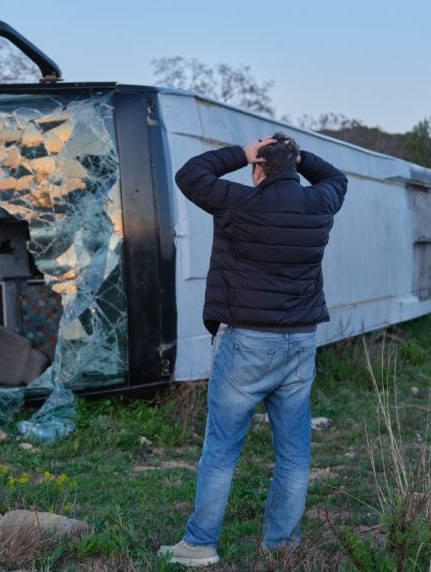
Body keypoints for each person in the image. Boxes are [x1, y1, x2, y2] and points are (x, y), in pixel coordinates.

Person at [157, 133, 348, 567]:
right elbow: (335, 177)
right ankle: (281, 545)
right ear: (295, 169)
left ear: (259, 169)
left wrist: (244, 152)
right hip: (300, 341)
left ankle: (200, 545)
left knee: (222, 450)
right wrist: (297, 156)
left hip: (247, 342)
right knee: (295, 453)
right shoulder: (320, 203)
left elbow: (191, 174)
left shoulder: (239, 202)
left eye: (253, 165)